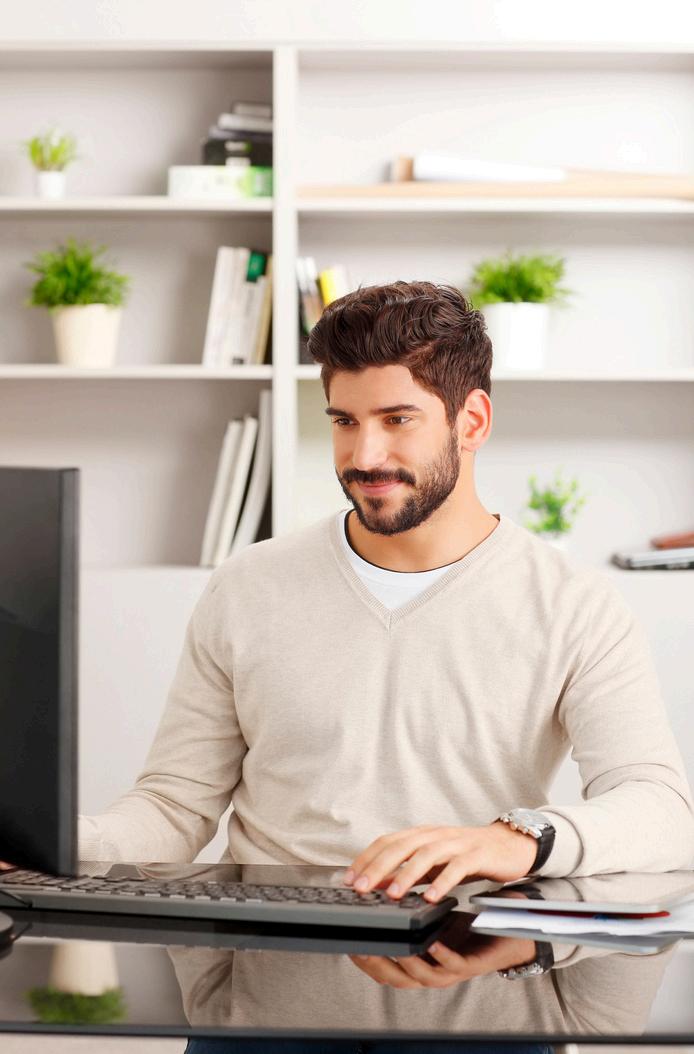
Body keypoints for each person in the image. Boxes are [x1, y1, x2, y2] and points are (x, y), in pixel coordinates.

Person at [80, 279, 694, 965]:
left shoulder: (574, 605)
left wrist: (516, 839)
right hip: (267, 982)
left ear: (472, 422)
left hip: (471, 972)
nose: (364, 456)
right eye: (344, 422)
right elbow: (174, 807)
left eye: (397, 420)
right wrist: (53, 844)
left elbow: (661, 810)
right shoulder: (248, 586)